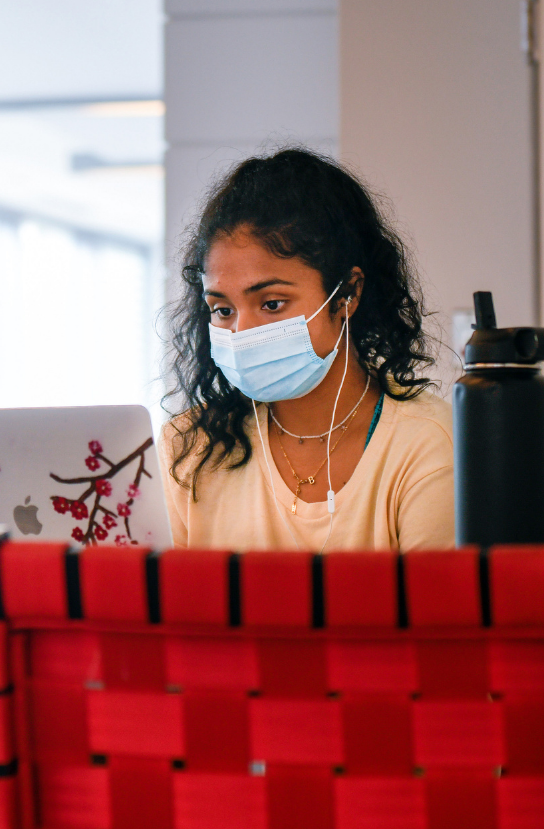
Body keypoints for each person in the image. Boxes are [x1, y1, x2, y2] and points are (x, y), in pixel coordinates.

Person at [161, 148, 453, 551]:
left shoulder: (425, 442)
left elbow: (434, 610)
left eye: (272, 304)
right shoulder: (188, 449)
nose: (242, 332)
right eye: (222, 309)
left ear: (347, 293)